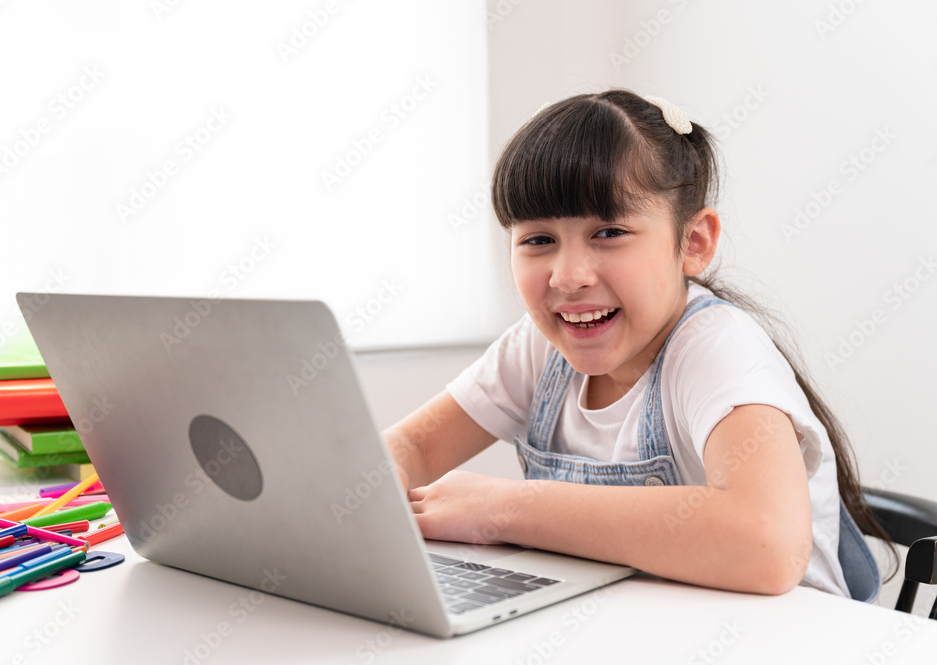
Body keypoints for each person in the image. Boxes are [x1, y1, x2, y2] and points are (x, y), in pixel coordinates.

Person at [383, 88, 893, 600]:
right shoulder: (539, 348)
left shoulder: (719, 351)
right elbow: (413, 447)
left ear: (692, 243)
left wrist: (503, 509)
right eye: (538, 240)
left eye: (608, 232)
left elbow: (767, 544)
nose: (568, 277)